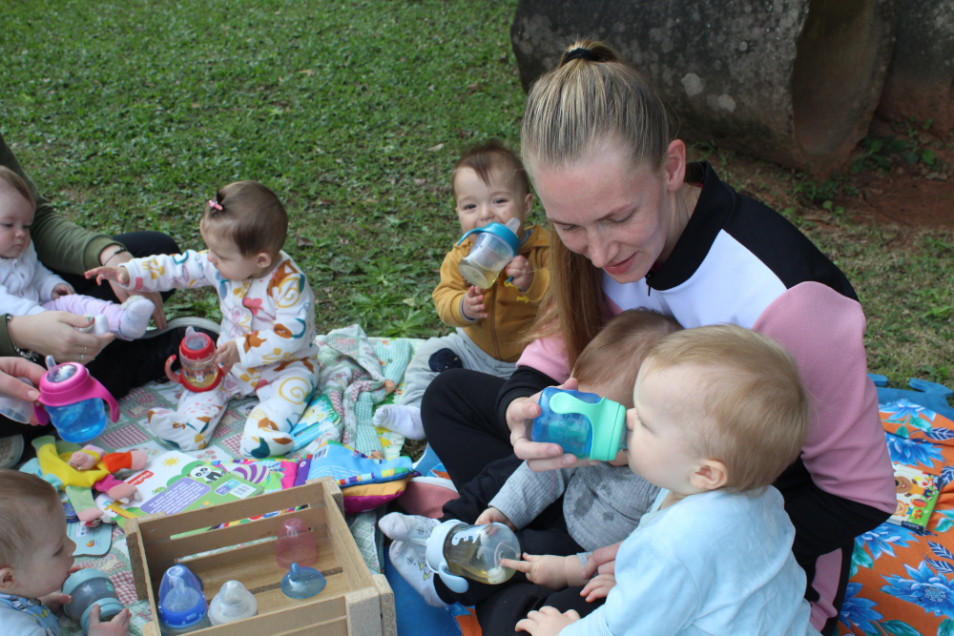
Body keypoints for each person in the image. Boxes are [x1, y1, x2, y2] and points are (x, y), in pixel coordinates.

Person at [420, 40, 895, 633]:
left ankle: (523, 558)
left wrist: (664, 551)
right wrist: (520, 404)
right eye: (568, 226)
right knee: (449, 398)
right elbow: (552, 352)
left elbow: (860, 496)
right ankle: (536, 542)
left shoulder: (785, 299)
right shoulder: (593, 247)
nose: (598, 252)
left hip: (710, 542)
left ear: (671, 168)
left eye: (619, 218)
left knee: (524, 619)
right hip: (615, 476)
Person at [380, 310, 679, 630]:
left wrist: (572, 570)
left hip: (588, 564)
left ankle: (451, 577)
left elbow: (641, 553)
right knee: (508, 500)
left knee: (526, 574)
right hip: (557, 520)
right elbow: (544, 473)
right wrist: (503, 511)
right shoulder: (593, 441)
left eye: (598, 430)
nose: (580, 436)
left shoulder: (662, 478)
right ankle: (447, 539)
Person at [513, 325, 819, 635]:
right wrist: (641, 580)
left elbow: (618, 629)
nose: (627, 418)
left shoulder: (676, 544)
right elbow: (722, 576)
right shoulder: (761, 496)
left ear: (705, 473)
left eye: (645, 422)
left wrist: (562, 632)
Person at [0, 129, 209, 468]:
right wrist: (18, 332)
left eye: (20, 226)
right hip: (18, 326)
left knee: (151, 256)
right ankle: (131, 360)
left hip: (39, 307)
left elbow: (36, 227)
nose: (20, 234)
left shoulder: (19, 238)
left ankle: (117, 325)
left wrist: (111, 258)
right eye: (8, 225)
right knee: (37, 386)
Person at [87, 180, 318, 457]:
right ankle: (189, 428)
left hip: (285, 365)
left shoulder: (290, 283)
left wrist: (241, 348)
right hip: (229, 362)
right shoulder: (222, 263)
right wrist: (131, 272)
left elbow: (291, 335)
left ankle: (263, 431)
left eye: (219, 255)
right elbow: (180, 267)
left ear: (261, 261)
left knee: (290, 394)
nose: (210, 259)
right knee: (204, 386)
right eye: (209, 250)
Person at [372, 140, 549, 439]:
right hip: (473, 349)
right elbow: (443, 296)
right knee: (431, 355)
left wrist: (534, 281)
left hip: (531, 356)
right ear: (458, 212)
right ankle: (417, 413)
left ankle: (518, 417)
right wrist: (462, 308)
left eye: (499, 201)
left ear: (527, 205)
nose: (485, 215)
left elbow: (565, 293)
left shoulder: (543, 249)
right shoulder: (461, 254)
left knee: (555, 385)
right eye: (470, 206)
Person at [0, 166, 156, 340]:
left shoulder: (22, 249)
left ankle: (123, 321)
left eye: (26, 225)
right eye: (7, 224)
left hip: (44, 309)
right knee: (62, 321)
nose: (21, 233)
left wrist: (51, 285)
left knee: (75, 303)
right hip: (17, 335)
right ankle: (90, 335)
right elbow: (4, 303)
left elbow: (36, 271)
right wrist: (38, 315)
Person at [0, 468, 131, 635]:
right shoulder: (18, 630)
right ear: (8, 578)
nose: (73, 547)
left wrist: (40, 604)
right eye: (58, 550)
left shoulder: (12, 587)